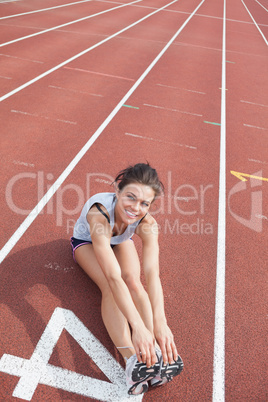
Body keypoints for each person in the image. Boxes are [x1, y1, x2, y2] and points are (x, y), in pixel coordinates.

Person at [70, 163, 183, 395]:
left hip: (120, 240)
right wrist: (138, 328)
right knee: (111, 288)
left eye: (144, 203)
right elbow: (113, 278)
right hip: (87, 243)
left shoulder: (148, 224)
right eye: (130, 197)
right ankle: (132, 361)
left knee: (135, 282)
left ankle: (153, 353)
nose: (135, 208)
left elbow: (153, 275)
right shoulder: (98, 214)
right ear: (117, 191)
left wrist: (159, 323)